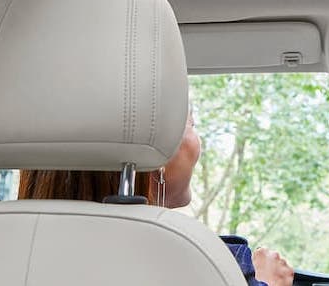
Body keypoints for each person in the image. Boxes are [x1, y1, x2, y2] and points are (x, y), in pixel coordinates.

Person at [19, 112, 295, 286]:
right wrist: (267, 283)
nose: (199, 141)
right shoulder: (209, 264)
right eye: (192, 123)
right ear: (156, 151)